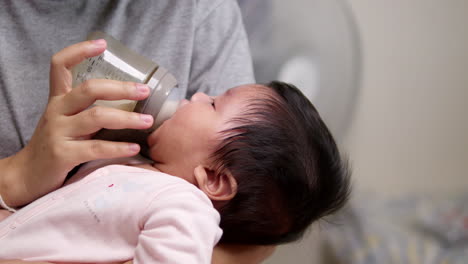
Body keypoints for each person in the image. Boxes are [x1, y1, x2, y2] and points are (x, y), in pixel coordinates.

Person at [0, 38, 350, 262]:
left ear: (214, 178)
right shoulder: (130, 161)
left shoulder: (186, 209)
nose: (198, 95)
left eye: (213, 104)